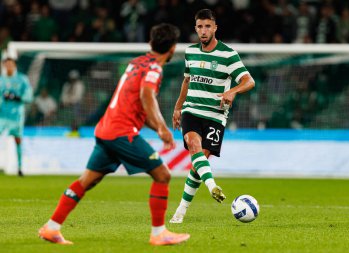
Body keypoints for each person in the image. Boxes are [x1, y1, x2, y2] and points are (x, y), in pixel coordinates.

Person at [38, 23, 190, 246]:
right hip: (121, 132)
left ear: (151, 42)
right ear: (173, 48)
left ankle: (52, 228)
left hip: (106, 129)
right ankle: (159, 233)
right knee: (162, 175)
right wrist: (163, 127)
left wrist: (157, 127)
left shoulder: (136, 63)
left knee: (87, 180)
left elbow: (139, 105)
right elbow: (147, 97)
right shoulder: (154, 69)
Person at [170, 9, 255, 224]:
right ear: (195, 28)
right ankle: (212, 187)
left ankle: (181, 209)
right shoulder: (190, 52)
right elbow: (187, 81)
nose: (203, 30)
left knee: (199, 164)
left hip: (216, 116)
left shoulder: (228, 54)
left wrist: (232, 91)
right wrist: (178, 107)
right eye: (200, 26)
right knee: (193, 145)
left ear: (215, 27)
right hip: (192, 110)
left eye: (208, 26)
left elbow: (248, 81)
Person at [0, 49, 33, 176]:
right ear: (4, 64)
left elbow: (29, 96)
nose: (8, 65)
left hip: (16, 115)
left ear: (14, 64)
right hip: (2, 115)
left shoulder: (22, 79)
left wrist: (18, 97)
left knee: (18, 140)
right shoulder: (1, 80)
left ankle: (20, 167)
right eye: (6, 63)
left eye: (11, 63)